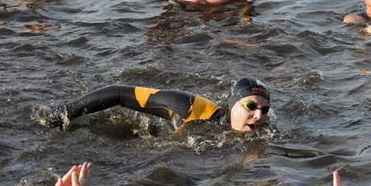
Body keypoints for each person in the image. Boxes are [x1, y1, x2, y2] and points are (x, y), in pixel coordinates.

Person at [45, 77, 270, 133]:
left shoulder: (266, 133)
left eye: (264, 110)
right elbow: (120, 93)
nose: (259, 116)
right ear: (232, 106)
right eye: (251, 107)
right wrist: (67, 113)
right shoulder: (191, 108)